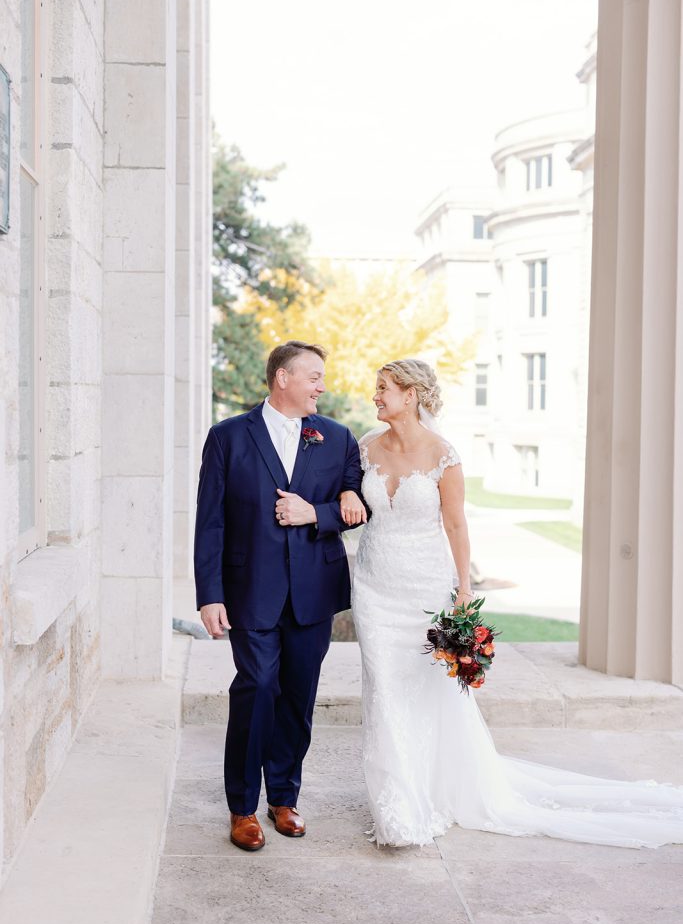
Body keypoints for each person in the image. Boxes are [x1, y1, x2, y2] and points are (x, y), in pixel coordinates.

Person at [341, 358, 683, 848]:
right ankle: (397, 804)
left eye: (383, 389)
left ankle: (431, 788)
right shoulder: (363, 448)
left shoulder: (444, 454)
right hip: (374, 587)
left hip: (423, 588)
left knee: (428, 691)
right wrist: (346, 491)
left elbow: (456, 525)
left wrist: (462, 590)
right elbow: (348, 495)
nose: (375, 396)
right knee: (384, 690)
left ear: (411, 394)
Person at [194, 341, 365, 852]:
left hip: (314, 589)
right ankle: (242, 805)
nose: (322, 386)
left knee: (297, 694)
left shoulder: (337, 438)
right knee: (257, 685)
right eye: (313, 376)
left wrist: (318, 513)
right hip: (250, 591)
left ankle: (284, 797)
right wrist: (209, 594)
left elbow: (360, 504)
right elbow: (211, 522)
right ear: (282, 378)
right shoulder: (227, 437)